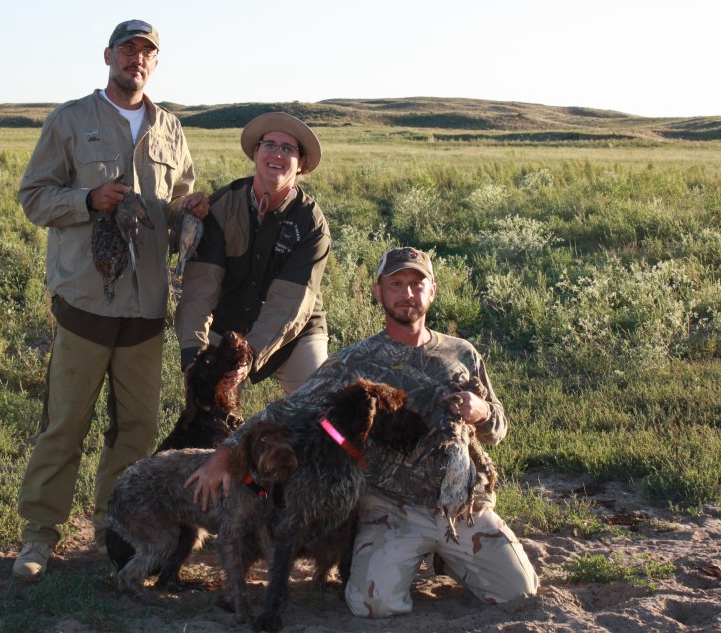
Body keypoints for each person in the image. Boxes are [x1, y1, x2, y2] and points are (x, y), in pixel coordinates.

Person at [186, 247, 538, 616]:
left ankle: (450, 556)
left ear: (432, 292)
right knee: (373, 605)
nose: (407, 293)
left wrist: (482, 412)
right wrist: (224, 452)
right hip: (392, 509)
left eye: (417, 284)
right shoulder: (353, 362)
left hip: (462, 506)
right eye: (396, 284)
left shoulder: (463, 353)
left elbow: (497, 430)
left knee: (520, 592)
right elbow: (283, 411)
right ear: (378, 291)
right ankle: (415, 551)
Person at [14, 19, 208, 581]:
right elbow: (34, 198)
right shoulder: (71, 120)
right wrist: (88, 199)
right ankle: (38, 536)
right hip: (85, 305)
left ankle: (115, 531)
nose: (136, 59)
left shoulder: (170, 128)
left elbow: (175, 201)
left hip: (147, 309)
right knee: (64, 426)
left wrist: (190, 208)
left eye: (147, 52)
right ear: (108, 56)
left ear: (154, 63)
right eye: (128, 49)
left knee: (136, 432)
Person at [175, 112, 330, 394]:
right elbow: (200, 287)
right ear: (256, 153)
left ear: (301, 164)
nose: (277, 154)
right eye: (269, 144)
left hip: (294, 332)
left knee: (317, 402)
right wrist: (194, 351)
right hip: (225, 326)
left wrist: (249, 355)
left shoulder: (310, 223)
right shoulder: (222, 205)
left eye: (288, 148)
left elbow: (290, 302)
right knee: (206, 402)